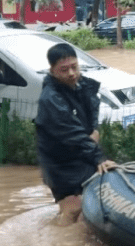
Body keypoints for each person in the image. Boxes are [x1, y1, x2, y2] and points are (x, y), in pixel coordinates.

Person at [35, 42, 117, 224]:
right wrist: (99, 158)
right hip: (59, 161)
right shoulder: (50, 99)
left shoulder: (82, 85)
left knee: (84, 204)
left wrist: (94, 130)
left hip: (81, 152)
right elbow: (70, 132)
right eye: (64, 69)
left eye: (74, 67)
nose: (71, 73)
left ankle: (67, 235)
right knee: (72, 208)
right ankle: (58, 244)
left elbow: (92, 109)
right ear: (53, 71)